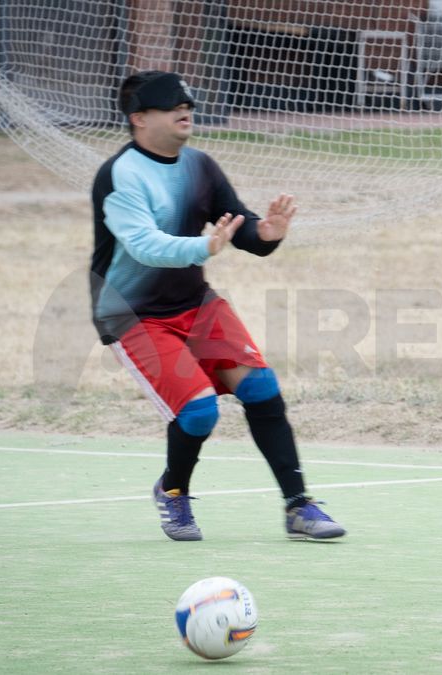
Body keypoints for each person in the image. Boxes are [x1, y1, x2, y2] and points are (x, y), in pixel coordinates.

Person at [90, 70, 345, 542]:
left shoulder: (199, 165)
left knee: (262, 388)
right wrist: (202, 248)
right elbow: (145, 246)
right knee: (198, 411)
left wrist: (264, 234)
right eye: (171, 106)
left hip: (194, 302)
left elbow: (237, 223)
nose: (184, 110)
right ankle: (173, 493)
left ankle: (298, 507)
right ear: (139, 119)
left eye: (186, 103)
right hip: (133, 314)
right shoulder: (119, 175)